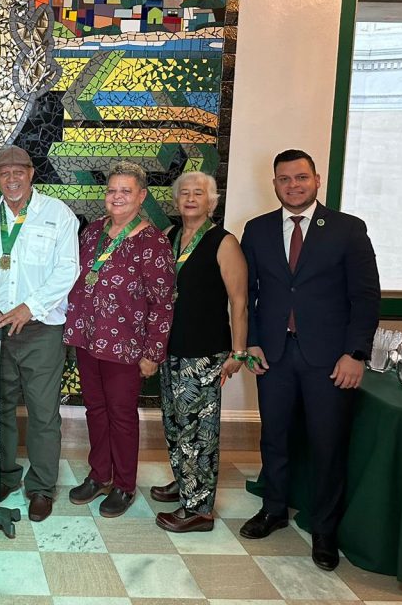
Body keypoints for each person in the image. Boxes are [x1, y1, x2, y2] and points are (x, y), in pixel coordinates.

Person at [239, 149, 380, 571]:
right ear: (275, 184)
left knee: (326, 443)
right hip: (275, 355)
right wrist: (254, 343)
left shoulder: (348, 229)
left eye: (301, 177)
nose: (293, 186)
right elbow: (249, 294)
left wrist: (356, 353)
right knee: (275, 438)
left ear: (317, 180)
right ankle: (275, 509)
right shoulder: (258, 230)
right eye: (284, 179)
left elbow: (366, 298)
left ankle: (324, 530)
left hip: (330, 358)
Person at [0, 145, 79, 522]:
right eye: (3, 173)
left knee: (44, 413)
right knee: (0, 409)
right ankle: (5, 476)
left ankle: (42, 487)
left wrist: (30, 307)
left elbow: (68, 270)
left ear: (31, 173)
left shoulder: (57, 214)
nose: (11, 179)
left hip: (41, 328)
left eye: (18, 172)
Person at [65, 161, 174, 519]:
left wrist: (153, 352)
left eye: (125, 191)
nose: (116, 197)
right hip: (87, 339)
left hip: (126, 347)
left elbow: (163, 302)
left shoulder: (152, 241)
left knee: (122, 415)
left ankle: (125, 484)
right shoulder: (93, 231)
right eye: (112, 190)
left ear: (141, 196)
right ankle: (100, 475)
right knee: (94, 409)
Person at [151, 171, 246, 532]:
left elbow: (239, 301)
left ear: (212, 201)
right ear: (175, 201)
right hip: (171, 346)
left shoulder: (224, 242)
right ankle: (186, 482)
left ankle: (199, 509)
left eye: (199, 194)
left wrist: (238, 352)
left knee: (198, 429)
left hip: (204, 351)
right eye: (184, 193)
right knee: (175, 424)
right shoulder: (170, 237)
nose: (191, 199)